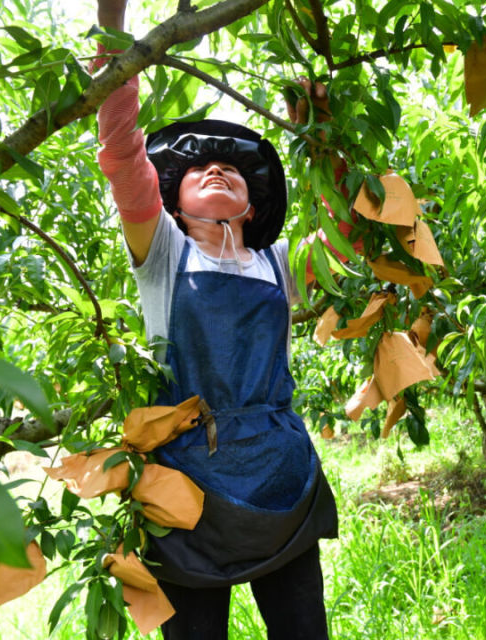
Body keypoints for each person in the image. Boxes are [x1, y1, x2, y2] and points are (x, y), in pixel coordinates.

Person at [93, 1, 353, 637]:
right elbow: (124, 154)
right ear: (172, 200)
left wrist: (322, 133)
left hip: (280, 477)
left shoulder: (279, 263)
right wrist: (113, 28)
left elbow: (347, 227)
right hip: (185, 487)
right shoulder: (162, 252)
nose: (217, 168)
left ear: (251, 202)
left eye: (233, 169)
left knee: (303, 629)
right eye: (200, 169)